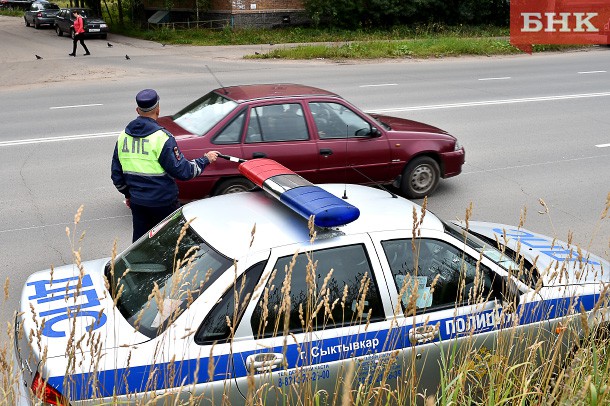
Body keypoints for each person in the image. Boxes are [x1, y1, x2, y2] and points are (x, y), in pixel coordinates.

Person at [111, 89, 220, 242]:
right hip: (163, 203)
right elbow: (183, 172)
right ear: (158, 109)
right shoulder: (162, 138)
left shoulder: (123, 136)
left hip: (138, 202)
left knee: (141, 245)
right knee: (170, 243)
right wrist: (205, 160)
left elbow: (116, 176)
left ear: (137, 110)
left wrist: (129, 195)